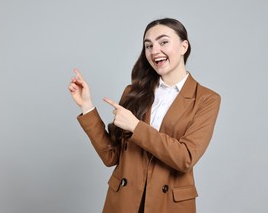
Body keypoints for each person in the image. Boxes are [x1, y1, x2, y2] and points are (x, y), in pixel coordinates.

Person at [68, 18, 221, 213]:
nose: (154, 50)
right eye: (148, 45)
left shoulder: (206, 99)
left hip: (168, 206)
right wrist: (87, 106)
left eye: (163, 42)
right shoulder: (134, 92)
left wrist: (136, 127)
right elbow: (111, 156)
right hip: (124, 202)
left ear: (184, 46)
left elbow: (185, 158)